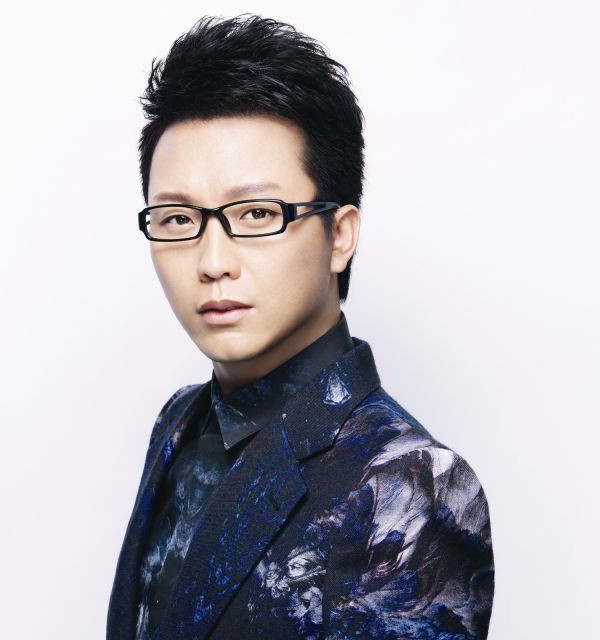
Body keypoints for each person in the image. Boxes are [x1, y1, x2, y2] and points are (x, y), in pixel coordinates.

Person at [106, 13, 494, 640]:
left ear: (339, 235)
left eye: (257, 213)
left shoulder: (409, 481)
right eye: (178, 220)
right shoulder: (179, 423)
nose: (212, 262)